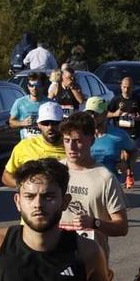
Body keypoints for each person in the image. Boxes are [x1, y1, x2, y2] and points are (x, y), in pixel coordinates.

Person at [56, 110, 131, 271]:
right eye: (67, 140)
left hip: (91, 263)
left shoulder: (105, 178)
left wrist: (94, 223)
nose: (71, 147)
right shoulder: (55, 172)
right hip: (57, 258)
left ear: (91, 140)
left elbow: (122, 227)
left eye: (78, 141)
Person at [2, 101, 66, 186]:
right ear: (38, 125)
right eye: (45, 123)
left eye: (55, 123)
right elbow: (6, 176)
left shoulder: (73, 146)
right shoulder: (25, 146)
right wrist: (25, 186)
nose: (50, 127)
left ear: (63, 122)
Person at [11, 73, 50, 139]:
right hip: (27, 143)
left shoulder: (50, 103)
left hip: (44, 143)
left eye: (37, 85)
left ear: (43, 86)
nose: (34, 88)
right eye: (31, 85)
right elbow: (11, 123)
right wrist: (23, 123)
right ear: (28, 86)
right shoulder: (20, 102)